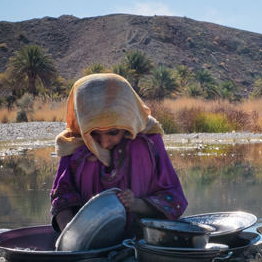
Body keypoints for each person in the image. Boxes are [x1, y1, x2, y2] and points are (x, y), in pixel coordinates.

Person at [50, 73, 187, 233]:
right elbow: (62, 196)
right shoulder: (73, 143)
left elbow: (172, 197)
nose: (104, 143)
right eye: (94, 135)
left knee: (138, 147)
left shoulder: (148, 141)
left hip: (143, 236)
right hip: (91, 238)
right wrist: (71, 236)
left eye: (113, 132)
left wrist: (136, 204)